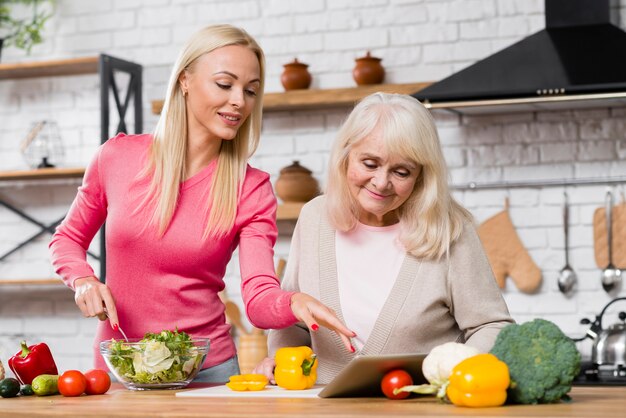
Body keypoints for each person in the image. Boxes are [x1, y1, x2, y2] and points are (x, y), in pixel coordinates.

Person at [49, 24, 354, 383]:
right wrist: (84, 280)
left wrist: (292, 303)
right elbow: (67, 239)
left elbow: (258, 296)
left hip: (206, 372)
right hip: (120, 368)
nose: (239, 100)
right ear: (185, 81)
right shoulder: (116, 157)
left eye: (251, 90)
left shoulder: (251, 188)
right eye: (225, 85)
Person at [254, 93, 514, 385]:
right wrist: (282, 359)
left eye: (401, 172)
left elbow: (492, 326)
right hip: (319, 406)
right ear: (346, 155)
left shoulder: (451, 229)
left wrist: (451, 378)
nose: (381, 182)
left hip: (418, 408)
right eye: (369, 163)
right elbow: (295, 321)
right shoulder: (315, 217)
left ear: (421, 176)